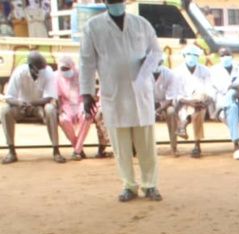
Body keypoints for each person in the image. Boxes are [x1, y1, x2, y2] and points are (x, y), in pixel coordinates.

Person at [80, 0, 162, 202]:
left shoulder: (141, 24)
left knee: (146, 144)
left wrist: (149, 64)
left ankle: (150, 184)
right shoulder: (93, 26)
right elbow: (86, 61)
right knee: (120, 145)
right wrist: (86, 93)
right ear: (106, 3)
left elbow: (156, 51)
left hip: (140, 89)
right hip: (113, 92)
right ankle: (128, 185)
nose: (115, 3)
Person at [0, 51, 64, 164]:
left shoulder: (48, 72)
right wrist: (19, 103)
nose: (41, 71)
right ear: (30, 66)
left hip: (39, 106)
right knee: (5, 111)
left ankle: (56, 151)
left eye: (43, 68)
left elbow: (49, 98)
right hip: (21, 107)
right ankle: (11, 151)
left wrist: (30, 103)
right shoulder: (19, 72)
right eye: (39, 68)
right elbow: (9, 97)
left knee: (50, 109)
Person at [55, 54, 108, 160]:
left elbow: (88, 93)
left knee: (87, 116)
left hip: (81, 103)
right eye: (63, 69)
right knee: (63, 120)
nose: (65, 71)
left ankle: (77, 150)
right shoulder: (56, 76)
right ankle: (78, 149)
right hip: (67, 105)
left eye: (67, 68)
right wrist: (60, 108)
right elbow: (58, 97)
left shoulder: (80, 74)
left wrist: (86, 105)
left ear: (72, 66)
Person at [210, 47, 239, 159]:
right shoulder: (214, 71)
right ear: (219, 57)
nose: (225, 57)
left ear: (231, 55)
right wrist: (234, 87)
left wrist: (236, 86)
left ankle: (221, 107)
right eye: (222, 55)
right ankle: (236, 145)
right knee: (232, 107)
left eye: (227, 54)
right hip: (224, 104)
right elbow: (222, 89)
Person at [174, 44, 212, 159]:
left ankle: (184, 124)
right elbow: (175, 93)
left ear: (198, 56)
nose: (191, 57)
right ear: (184, 56)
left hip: (201, 101)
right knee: (198, 110)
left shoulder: (204, 70)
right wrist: (188, 102)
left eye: (194, 55)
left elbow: (209, 89)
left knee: (200, 98)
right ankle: (197, 145)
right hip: (183, 103)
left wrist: (203, 100)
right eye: (188, 55)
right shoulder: (177, 71)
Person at [152, 60, 180, 156]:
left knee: (171, 112)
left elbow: (170, 98)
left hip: (165, 103)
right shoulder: (143, 74)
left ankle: (174, 147)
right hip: (148, 104)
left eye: (159, 62)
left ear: (162, 62)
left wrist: (158, 110)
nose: (156, 64)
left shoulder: (170, 74)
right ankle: (141, 149)